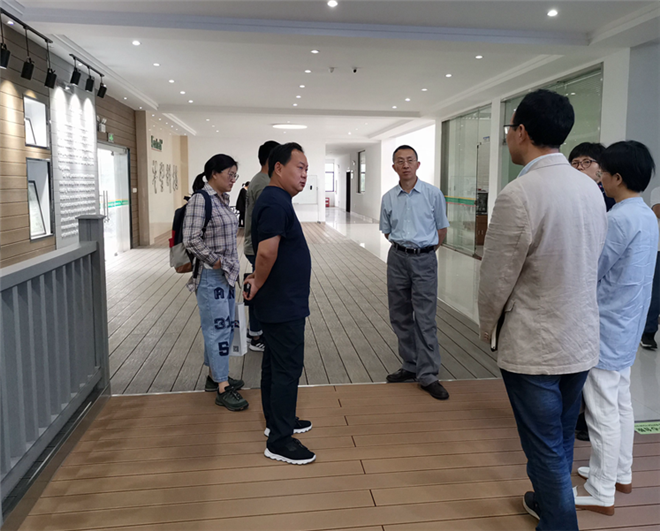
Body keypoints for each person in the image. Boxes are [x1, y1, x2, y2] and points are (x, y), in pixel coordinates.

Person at [478, 89, 607, 531]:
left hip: (534, 344)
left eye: (509, 128)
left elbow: (496, 278)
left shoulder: (519, 194)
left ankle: (560, 522)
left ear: (522, 131)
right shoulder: (590, 188)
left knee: (545, 444)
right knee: (562, 434)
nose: (508, 137)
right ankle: (550, 502)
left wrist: (487, 329)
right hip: (580, 338)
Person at [575, 141, 657, 515]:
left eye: (603, 173)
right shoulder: (646, 215)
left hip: (607, 325)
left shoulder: (618, 219)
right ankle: (619, 472)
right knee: (621, 401)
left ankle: (601, 488)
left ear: (618, 178)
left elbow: (594, 268)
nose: (600, 179)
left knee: (602, 409)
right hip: (627, 323)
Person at [244, 142, 314, 465]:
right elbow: (266, 252)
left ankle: (277, 422)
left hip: (282, 301)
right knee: (287, 368)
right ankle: (280, 440)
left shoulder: (277, 199)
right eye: (299, 167)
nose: (304, 174)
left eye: (306, 169)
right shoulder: (274, 201)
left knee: (275, 365)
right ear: (278, 168)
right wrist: (257, 281)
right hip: (282, 303)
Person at [379, 145, 450, 400]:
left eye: (410, 160)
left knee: (425, 318)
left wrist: (424, 252)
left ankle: (428, 374)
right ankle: (410, 365)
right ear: (394, 167)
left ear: (418, 165)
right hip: (397, 258)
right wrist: (405, 249)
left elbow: (441, 230)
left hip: (424, 260)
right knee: (399, 315)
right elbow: (387, 231)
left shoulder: (433, 194)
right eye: (400, 161)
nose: (405, 165)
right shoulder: (388, 197)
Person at [183, 154, 248, 412]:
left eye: (235, 175)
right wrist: (216, 260)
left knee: (223, 327)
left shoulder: (222, 199)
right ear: (214, 174)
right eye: (229, 174)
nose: (233, 179)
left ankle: (214, 376)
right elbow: (190, 238)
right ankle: (222, 387)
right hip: (212, 276)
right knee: (218, 329)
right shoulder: (201, 199)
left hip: (226, 274)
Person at [568, 142, 611, 441]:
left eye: (587, 162)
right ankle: (574, 412)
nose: (580, 168)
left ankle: (585, 418)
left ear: (601, 169)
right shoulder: (566, 196)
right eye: (575, 163)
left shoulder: (610, 202)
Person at [244, 140, 280, 353]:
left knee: (260, 288)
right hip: (257, 247)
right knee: (260, 290)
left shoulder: (259, 180)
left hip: (254, 245)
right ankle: (256, 335)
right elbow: (267, 222)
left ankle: (256, 332)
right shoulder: (264, 183)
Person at [640, 186, 660, 350]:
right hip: (659, 251)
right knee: (656, 294)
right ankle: (648, 332)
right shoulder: (658, 190)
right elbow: (657, 211)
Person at [569, 142, 615, 211]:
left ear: (602, 165)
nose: (579, 167)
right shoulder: (570, 192)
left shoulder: (610, 193)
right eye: (575, 163)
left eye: (587, 162)